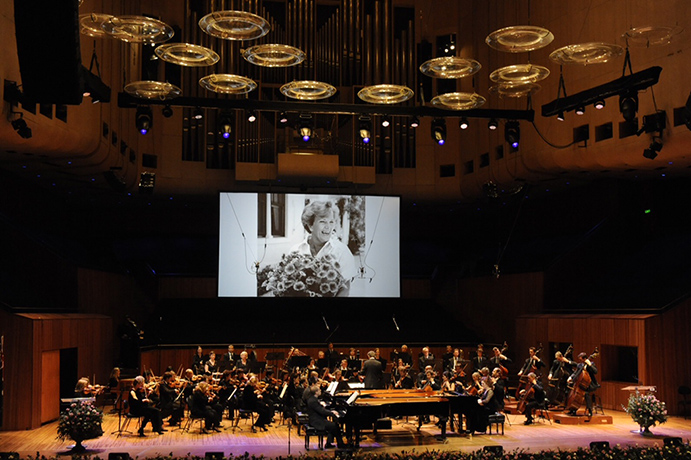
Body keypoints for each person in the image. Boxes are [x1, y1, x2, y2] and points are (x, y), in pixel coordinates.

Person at [290, 200, 356, 297]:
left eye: (331, 222)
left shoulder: (342, 251)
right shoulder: (295, 250)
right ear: (310, 225)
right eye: (323, 221)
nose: (328, 227)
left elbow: (345, 290)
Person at [306, 384, 345, 448]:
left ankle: (329, 443)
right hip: (316, 421)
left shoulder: (312, 398)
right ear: (316, 392)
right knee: (334, 426)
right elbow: (322, 411)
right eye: (319, 390)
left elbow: (319, 408)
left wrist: (321, 405)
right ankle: (340, 444)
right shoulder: (313, 401)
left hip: (317, 419)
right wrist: (332, 413)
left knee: (333, 425)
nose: (320, 391)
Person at [566, 352, 599, 416]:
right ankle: (572, 409)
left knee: (586, 394)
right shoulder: (580, 365)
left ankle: (590, 411)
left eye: (581, 360)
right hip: (580, 384)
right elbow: (576, 372)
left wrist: (590, 365)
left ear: (585, 359)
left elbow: (595, 371)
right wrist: (571, 377)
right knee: (571, 391)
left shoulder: (591, 364)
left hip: (589, 384)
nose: (580, 361)